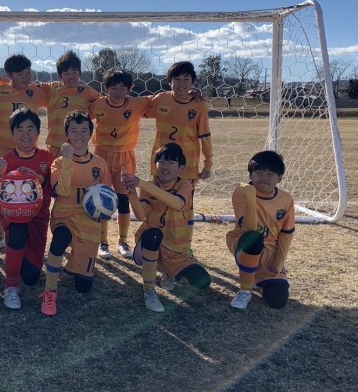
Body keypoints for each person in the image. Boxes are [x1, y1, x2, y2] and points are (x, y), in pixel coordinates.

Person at [123, 143, 211, 312]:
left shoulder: (185, 186)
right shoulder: (148, 186)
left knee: (202, 281)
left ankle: (167, 269)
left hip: (174, 249)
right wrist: (132, 193)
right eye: (162, 161)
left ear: (181, 168)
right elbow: (141, 215)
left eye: (171, 162)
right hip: (150, 241)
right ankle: (149, 290)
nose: (165, 166)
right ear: (155, 164)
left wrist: (143, 184)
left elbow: (178, 204)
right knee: (153, 234)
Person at [41, 111, 110, 316]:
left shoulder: (100, 163)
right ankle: (50, 291)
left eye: (84, 130)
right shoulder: (59, 162)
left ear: (91, 134)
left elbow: (108, 195)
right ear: (67, 135)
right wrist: (67, 160)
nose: (79, 135)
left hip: (90, 223)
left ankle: (76, 265)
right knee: (59, 242)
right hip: (65, 217)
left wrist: (104, 212)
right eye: (74, 131)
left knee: (83, 287)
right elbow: (61, 191)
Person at [147, 61, 212, 276]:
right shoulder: (160, 99)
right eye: (177, 79)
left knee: (184, 210)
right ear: (169, 82)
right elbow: (134, 106)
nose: (181, 83)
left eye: (186, 79)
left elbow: (205, 136)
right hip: (161, 164)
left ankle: (184, 248)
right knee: (159, 206)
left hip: (187, 167)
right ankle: (160, 247)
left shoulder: (199, 105)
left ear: (193, 82)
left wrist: (208, 163)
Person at [0, 107, 54, 309]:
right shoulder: (5, 161)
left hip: (38, 220)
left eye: (30, 129)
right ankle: (10, 287)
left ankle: (20, 257)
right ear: (12, 133)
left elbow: (56, 191)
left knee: (32, 277)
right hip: (13, 219)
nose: (25, 134)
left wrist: (39, 180)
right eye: (20, 129)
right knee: (17, 232)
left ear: (38, 132)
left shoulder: (47, 158)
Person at [0, 54, 48, 253]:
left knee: (28, 191)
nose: (26, 77)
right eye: (20, 74)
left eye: (28, 72)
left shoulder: (37, 92)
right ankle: (0, 236)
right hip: (3, 151)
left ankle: (27, 231)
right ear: (9, 75)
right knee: (1, 193)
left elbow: (59, 96)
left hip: (29, 153)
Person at [89, 69, 153, 259]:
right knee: (102, 198)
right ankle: (102, 243)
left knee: (123, 199)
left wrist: (191, 93)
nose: (118, 92)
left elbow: (162, 99)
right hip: (102, 155)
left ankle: (123, 241)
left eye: (122, 88)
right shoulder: (98, 104)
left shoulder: (137, 104)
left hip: (125, 157)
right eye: (114, 87)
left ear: (130, 89)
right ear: (106, 88)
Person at [227, 150, 295, 310]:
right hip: (243, 243)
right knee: (254, 238)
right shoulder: (242, 192)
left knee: (277, 301)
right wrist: (251, 197)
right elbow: (249, 228)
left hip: (269, 252)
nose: (264, 178)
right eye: (258, 172)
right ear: (250, 174)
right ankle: (245, 290)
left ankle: (261, 280)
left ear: (280, 178)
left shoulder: (286, 199)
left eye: (270, 174)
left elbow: (287, 233)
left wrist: (279, 262)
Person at [39, 50, 101, 158]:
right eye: (66, 73)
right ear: (60, 76)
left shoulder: (87, 91)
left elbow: (104, 103)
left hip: (78, 145)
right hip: (55, 145)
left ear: (80, 74)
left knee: (77, 169)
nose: (71, 76)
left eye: (74, 72)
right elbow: (31, 88)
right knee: (55, 169)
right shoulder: (52, 88)